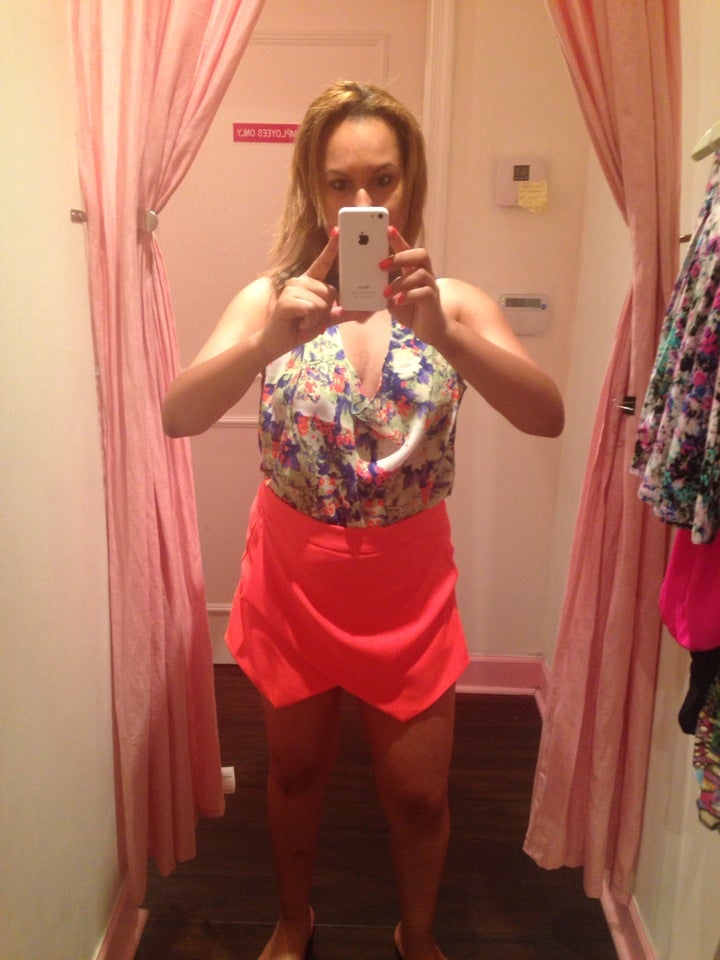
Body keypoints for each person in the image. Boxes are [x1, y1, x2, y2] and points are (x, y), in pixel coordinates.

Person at [162, 79, 564, 960]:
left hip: (408, 590)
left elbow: (548, 416)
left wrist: (446, 335)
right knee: (296, 773)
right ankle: (293, 920)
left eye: (382, 179)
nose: (362, 201)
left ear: (410, 180)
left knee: (419, 794)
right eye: (339, 182)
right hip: (294, 579)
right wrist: (269, 342)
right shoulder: (272, 301)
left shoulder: (454, 303)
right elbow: (178, 413)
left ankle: (416, 935)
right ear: (312, 188)